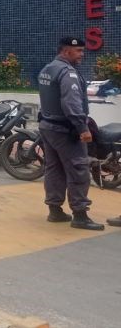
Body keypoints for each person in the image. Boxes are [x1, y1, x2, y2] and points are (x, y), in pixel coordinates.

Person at [37, 36, 103, 230]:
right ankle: (80, 215)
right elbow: (71, 103)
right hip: (66, 130)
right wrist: (82, 128)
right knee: (78, 169)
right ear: (66, 51)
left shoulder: (47, 69)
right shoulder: (68, 73)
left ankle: (55, 210)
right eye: (79, 51)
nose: (82, 55)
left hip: (48, 126)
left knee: (54, 169)